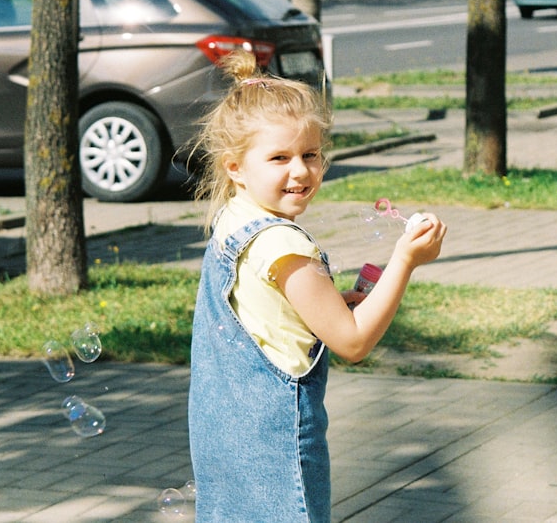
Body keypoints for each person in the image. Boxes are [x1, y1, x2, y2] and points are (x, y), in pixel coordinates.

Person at [187, 50, 447, 522]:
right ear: (235, 167)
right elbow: (353, 341)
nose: (301, 171)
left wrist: (325, 306)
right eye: (279, 158)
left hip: (224, 438)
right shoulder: (282, 243)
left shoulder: (234, 219)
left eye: (310, 155)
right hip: (275, 444)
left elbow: (267, 310)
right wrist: (405, 260)